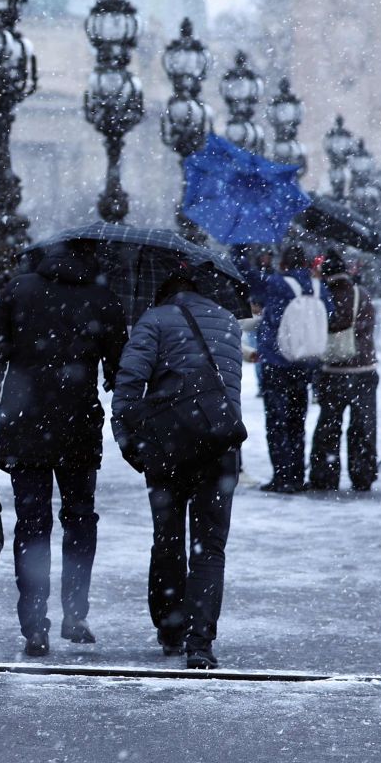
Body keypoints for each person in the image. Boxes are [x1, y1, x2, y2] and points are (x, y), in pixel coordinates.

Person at [0, 240, 127, 658]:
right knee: (79, 519)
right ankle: (75, 615)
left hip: (25, 424)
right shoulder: (102, 297)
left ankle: (35, 626)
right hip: (78, 424)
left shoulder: (18, 291)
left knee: (31, 526)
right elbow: (120, 368)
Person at [110, 267, 245, 670]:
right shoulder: (228, 322)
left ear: (163, 293)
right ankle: (200, 643)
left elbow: (128, 387)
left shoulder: (154, 320)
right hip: (219, 441)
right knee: (210, 547)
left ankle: (170, 630)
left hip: (168, 443)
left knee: (167, 538)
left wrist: (128, 441)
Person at [245, 244, 331, 494]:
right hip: (306, 362)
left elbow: (249, 279)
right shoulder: (318, 287)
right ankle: (296, 474)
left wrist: (240, 248)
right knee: (297, 420)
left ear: (283, 264)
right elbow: (331, 313)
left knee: (277, 421)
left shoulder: (277, 284)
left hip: (277, 361)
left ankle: (283, 476)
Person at [311, 249, 379, 491]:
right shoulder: (362, 295)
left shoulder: (323, 296)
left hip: (333, 371)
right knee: (363, 425)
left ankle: (325, 475)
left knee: (329, 426)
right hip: (364, 370)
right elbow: (367, 327)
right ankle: (363, 474)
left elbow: (320, 327)